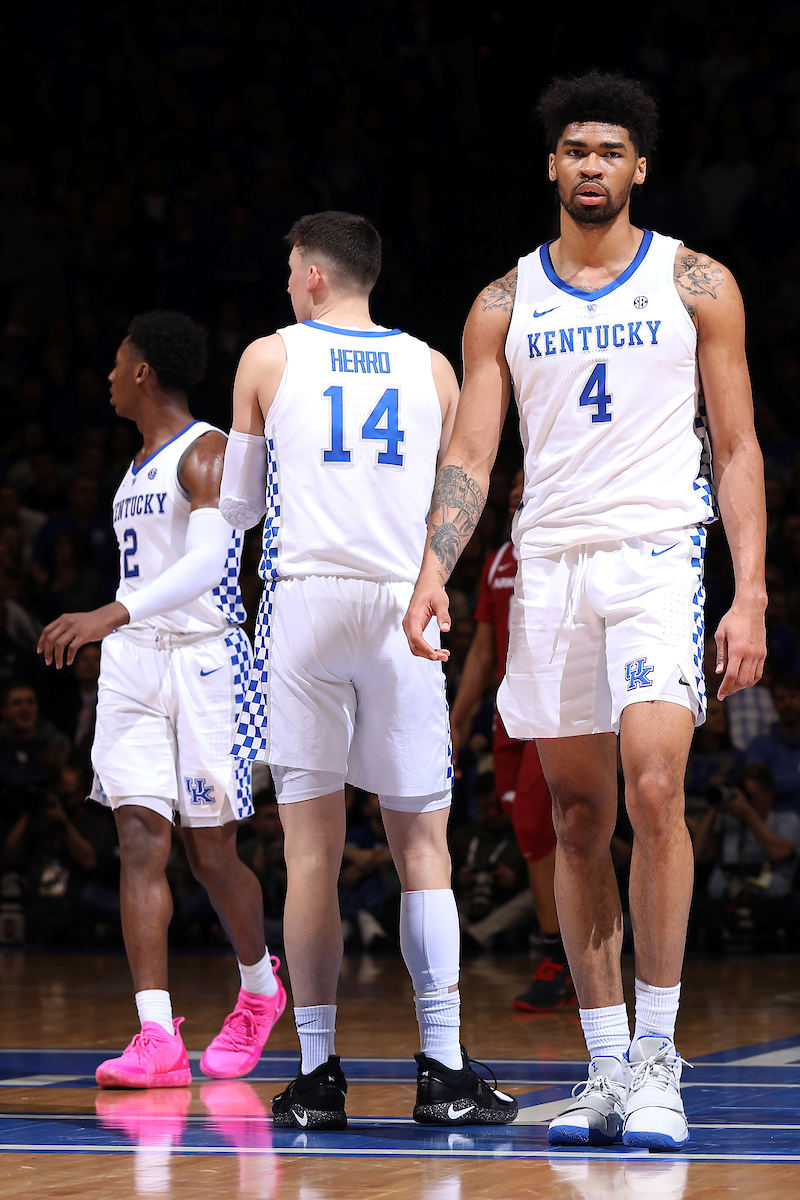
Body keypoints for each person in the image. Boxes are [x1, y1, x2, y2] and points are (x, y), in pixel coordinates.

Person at [403, 71, 766, 1151]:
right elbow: (471, 450)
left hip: (656, 553)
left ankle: (658, 1058)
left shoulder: (695, 282)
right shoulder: (501, 302)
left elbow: (735, 445)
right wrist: (434, 568)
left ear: (637, 167)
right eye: (574, 152)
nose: (591, 167)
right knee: (572, 819)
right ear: (551, 167)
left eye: (609, 151)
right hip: (549, 564)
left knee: (655, 787)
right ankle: (605, 1068)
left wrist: (747, 590)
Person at [219, 210, 517, 1129]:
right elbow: (458, 492)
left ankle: (316, 1078)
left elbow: (235, 510)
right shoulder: (431, 366)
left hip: (307, 602)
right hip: (401, 603)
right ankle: (441, 1069)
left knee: (309, 850)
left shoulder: (269, 359)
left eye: (288, 273)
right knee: (421, 847)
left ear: (310, 276)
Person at [38, 310, 286, 1089]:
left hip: (206, 663)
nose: (108, 378)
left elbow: (213, 562)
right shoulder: (135, 466)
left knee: (210, 853)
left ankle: (260, 989)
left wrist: (110, 610)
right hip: (134, 667)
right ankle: (156, 1034)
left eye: (117, 364)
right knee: (140, 840)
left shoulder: (206, 450)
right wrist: (120, 627)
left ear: (143, 370)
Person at [449, 469, 573, 1010]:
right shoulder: (500, 560)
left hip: (553, 704)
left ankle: (560, 956)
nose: (521, 490)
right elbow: (479, 647)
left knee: (538, 823)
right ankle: (563, 949)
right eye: (516, 485)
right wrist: (459, 717)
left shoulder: (563, 546)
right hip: (505, 713)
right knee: (533, 834)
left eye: (532, 480)